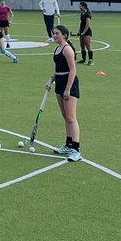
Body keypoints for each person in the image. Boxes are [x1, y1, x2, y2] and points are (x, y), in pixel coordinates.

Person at [47, 26, 81, 161]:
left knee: (71, 118)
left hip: (69, 83)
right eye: (54, 33)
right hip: (59, 82)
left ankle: (76, 150)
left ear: (65, 35)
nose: (55, 35)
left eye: (57, 33)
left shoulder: (67, 49)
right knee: (65, 116)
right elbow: (59, 69)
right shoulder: (57, 48)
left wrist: (68, 89)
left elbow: (73, 70)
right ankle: (68, 144)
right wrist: (51, 80)